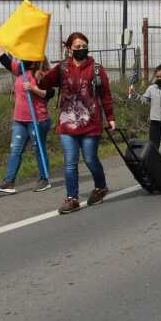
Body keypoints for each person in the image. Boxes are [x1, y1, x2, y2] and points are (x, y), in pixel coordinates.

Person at [38, 32, 115, 214]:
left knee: (90, 159)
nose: (81, 50)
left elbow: (105, 94)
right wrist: (42, 76)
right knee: (70, 163)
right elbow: (45, 84)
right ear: (69, 49)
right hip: (67, 124)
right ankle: (72, 199)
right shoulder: (62, 68)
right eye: (77, 47)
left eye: (84, 46)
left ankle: (100, 187)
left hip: (91, 123)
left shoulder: (96, 68)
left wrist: (111, 117)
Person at [0, 33, 53, 194]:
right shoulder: (20, 70)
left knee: (38, 149)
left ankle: (44, 179)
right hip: (20, 120)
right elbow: (4, 60)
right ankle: (9, 182)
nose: (21, 56)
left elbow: (50, 93)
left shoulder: (41, 73)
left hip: (37, 119)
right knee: (15, 149)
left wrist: (34, 89)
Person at [128, 62, 161, 181]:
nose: (159, 79)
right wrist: (135, 95)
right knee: (153, 149)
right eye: (157, 77)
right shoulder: (152, 88)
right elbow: (144, 100)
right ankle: (152, 172)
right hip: (155, 123)